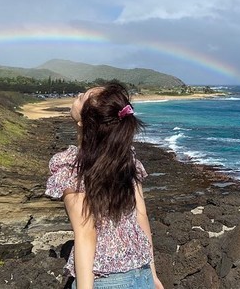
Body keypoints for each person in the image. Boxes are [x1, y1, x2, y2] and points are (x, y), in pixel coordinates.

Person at [45, 82, 164, 289]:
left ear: (84, 122)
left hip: (107, 281)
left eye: (82, 97)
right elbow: (141, 216)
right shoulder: (126, 159)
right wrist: (152, 274)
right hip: (141, 274)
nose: (79, 94)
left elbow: (85, 234)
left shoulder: (73, 166)